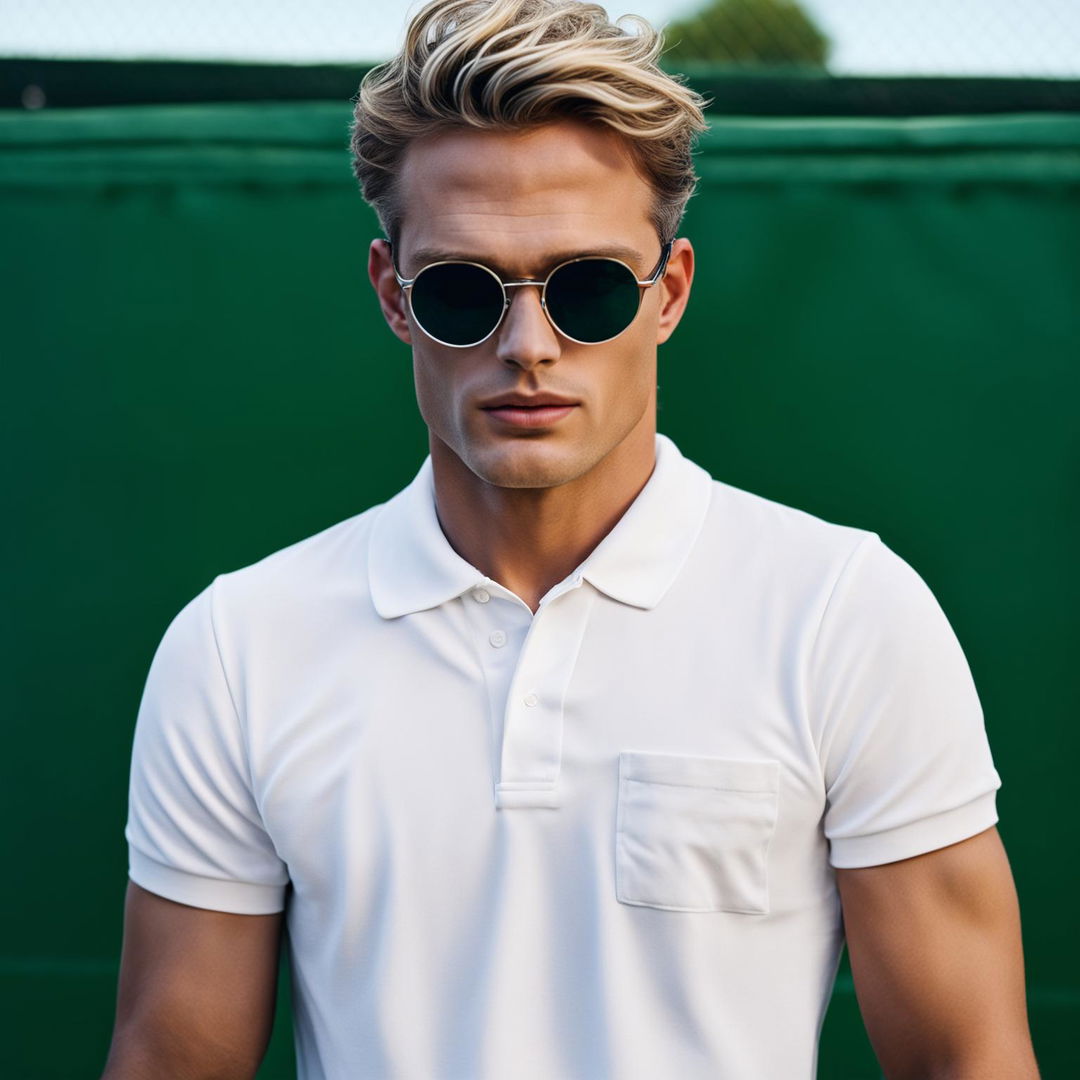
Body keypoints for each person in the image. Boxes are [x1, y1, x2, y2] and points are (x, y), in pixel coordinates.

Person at [102, 1, 1041, 1078]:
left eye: (588, 288)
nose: (529, 345)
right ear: (392, 296)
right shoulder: (240, 648)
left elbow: (967, 1055)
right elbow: (175, 1059)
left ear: (669, 292)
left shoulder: (841, 614)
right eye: (463, 292)